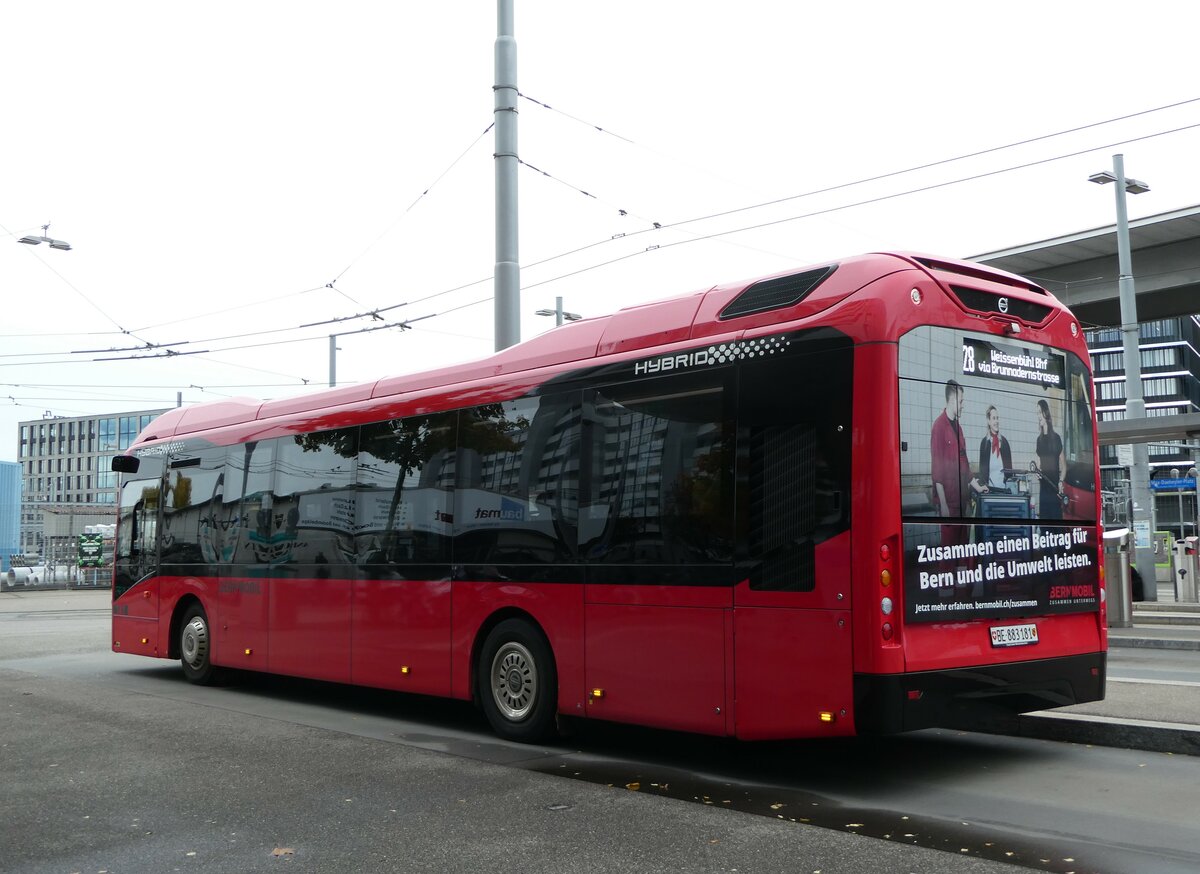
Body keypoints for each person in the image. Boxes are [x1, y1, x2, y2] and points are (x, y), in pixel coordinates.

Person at [931, 380, 972, 544]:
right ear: (953, 399)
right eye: (961, 401)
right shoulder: (939, 427)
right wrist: (944, 506)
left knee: (962, 550)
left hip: (962, 501)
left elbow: (965, 464)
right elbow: (937, 471)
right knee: (949, 553)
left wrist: (978, 486)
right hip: (949, 503)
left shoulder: (959, 429)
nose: (963, 405)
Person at [1034, 399, 1065, 520]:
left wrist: (1061, 481)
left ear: (1046, 413)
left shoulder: (1056, 438)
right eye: (1037, 413)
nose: (1038, 416)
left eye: (1040, 412)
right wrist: (1037, 472)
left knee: (1057, 524)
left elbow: (1064, 466)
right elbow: (1038, 466)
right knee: (1045, 526)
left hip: (1055, 489)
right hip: (1044, 491)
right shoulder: (1039, 440)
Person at [976, 404, 1012, 494]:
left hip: (1004, 491)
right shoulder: (984, 444)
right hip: (990, 492)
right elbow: (982, 472)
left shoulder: (1004, 443)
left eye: (997, 418)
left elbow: (1010, 471)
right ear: (988, 421)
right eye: (993, 418)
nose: (996, 421)